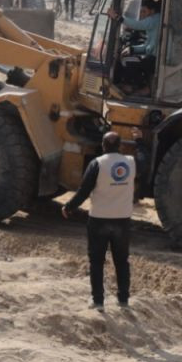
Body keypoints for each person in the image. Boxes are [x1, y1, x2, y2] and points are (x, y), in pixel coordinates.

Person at [61, 131, 134, 311]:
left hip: (99, 219)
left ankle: (98, 301)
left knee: (96, 262)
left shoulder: (97, 164)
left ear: (102, 146)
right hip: (122, 219)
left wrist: (69, 207)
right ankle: (123, 300)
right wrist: (139, 140)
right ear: (120, 146)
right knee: (122, 261)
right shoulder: (131, 163)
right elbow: (146, 160)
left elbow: (84, 191)